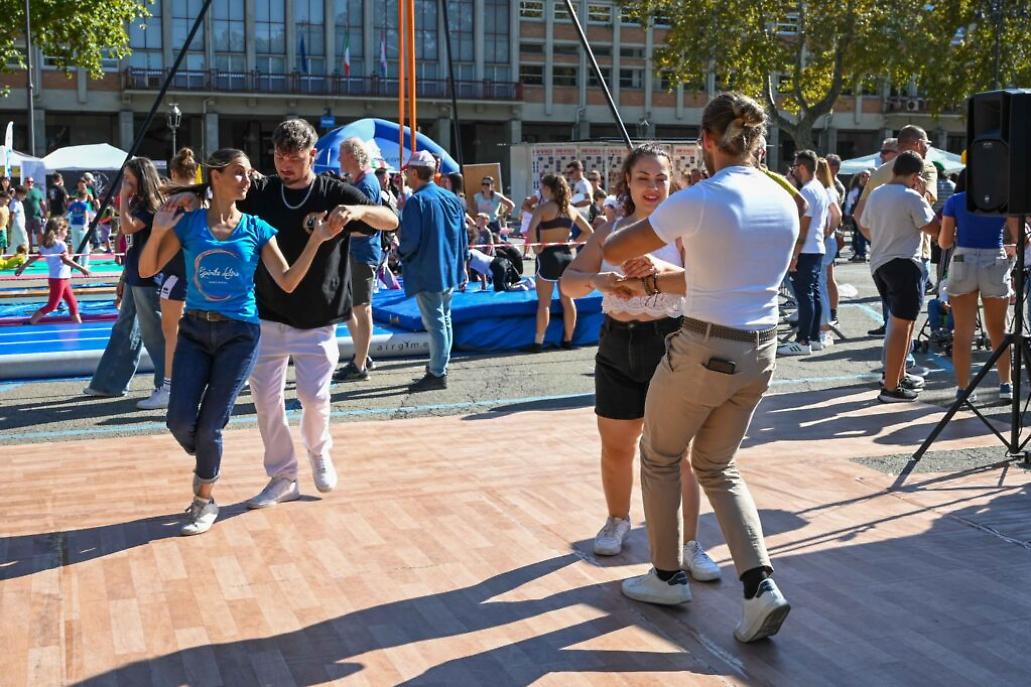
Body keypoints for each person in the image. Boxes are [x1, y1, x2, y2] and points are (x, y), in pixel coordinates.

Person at [602, 91, 797, 643]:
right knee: (717, 466)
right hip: (759, 352)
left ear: (705, 142)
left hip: (703, 349)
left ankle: (667, 575)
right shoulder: (783, 199)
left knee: (660, 455)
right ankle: (761, 586)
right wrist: (660, 275)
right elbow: (725, 277)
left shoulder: (701, 198)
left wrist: (647, 236)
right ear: (757, 140)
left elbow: (617, 248)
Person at [139, 148, 348, 536]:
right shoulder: (188, 224)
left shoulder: (256, 228)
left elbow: (286, 281)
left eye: (250, 174)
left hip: (240, 335)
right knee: (180, 419)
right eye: (238, 173)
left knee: (210, 426)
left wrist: (317, 240)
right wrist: (158, 230)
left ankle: (203, 500)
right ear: (214, 176)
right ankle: (206, 456)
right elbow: (147, 268)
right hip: (195, 332)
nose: (247, 179)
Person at [197, 119, 398, 509]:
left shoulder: (334, 191)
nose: (285, 164)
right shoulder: (263, 190)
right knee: (265, 399)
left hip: (318, 318)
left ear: (313, 155)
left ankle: (319, 452)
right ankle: (282, 475)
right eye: (279, 155)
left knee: (313, 396)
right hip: (267, 315)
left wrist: (356, 212)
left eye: (294, 157)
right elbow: (218, 196)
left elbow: (391, 220)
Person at [560, 143, 721, 581]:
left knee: (677, 453)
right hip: (616, 342)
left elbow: (704, 286)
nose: (652, 187)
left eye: (661, 178)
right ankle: (617, 519)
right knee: (616, 445)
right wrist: (597, 279)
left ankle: (691, 544)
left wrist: (653, 272)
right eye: (643, 178)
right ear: (626, 183)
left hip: (667, 342)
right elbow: (569, 284)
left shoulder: (686, 232)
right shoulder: (610, 230)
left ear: (673, 182)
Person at [83, 158, 168, 403]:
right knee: (125, 329)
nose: (126, 182)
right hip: (135, 275)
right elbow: (132, 246)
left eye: (129, 178)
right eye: (124, 179)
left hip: (149, 278)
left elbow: (129, 229)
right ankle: (109, 383)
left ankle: (167, 384)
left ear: (141, 178)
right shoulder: (140, 203)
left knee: (153, 334)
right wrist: (124, 277)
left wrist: (122, 198)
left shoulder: (150, 206)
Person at [858, 151, 939, 403]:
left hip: (880, 263)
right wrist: (924, 195)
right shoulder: (911, 197)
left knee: (902, 323)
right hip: (904, 263)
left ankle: (898, 376)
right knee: (902, 326)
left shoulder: (877, 193)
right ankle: (891, 387)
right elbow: (933, 229)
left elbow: (865, 224)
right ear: (916, 176)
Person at [937, 169, 1017, 403]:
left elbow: (944, 241)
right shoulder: (1002, 200)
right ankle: (1006, 385)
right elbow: (1020, 234)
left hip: (964, 260)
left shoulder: (955, 201)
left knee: (962, 332)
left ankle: (963, 389)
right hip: (995, 258)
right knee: (998, 329)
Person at [397, 149, 468, 391]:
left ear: (415, 172)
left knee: (436, 322)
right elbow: (463, 236)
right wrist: (463, 264)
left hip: (427, 270)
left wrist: (400, 252)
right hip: (449, 268)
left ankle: (438, 372)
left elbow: (410, 242)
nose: (406, 176)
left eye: (408, 172)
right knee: (444, 320)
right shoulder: (451, 198)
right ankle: (440, 366)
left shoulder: (416, 201)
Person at [140, 147, 198, 411]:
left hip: (177, 275)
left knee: (172, 335)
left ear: (173, 173)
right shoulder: (204, 199)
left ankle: (169, 388)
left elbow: (163, 243)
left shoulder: (172, 202)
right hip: (201, 276)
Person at [335, 137, 396, 383]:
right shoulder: (361, 181)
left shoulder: (366, 184)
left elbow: (370, 225)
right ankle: (363, 354)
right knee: (350, 307)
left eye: (342, 154)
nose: (339, 159)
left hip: (363, 252)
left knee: (361, 307)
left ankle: (360, 363)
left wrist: (340, 230)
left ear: (351, 156)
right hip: (358, 251)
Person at [526, 173, 594, 352]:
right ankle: (568, 340)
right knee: (568, 300)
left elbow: (531, 230)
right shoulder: (571, 209)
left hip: (548, 255)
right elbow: (589, 231)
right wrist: (573, 243)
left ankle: (538, 342)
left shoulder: (543, 208)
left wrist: (535, 248)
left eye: (542, 187)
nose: (540, 190)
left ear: (548, 189)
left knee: (544, 303)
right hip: (567, 256)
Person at [778, 149, 829, 356]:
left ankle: (803, 340)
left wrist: (795, 254)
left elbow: (804, 227)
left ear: (803, 167)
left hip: (807, 249)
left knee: (804, 296)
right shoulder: (820, 189)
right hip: (816, 248)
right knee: (813, 294)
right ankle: (814, 337)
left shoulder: (808, 191)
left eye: (795, 167)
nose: (794, 171)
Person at [14, 217, 90, 323]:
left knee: (72, 303)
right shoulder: (60, 244)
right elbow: (65, 260)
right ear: (59, 231)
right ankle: (31, 321)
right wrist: (81, 268)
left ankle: (78, 323)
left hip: (62, 279)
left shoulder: (46, 245)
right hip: (59, 280)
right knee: (52, 305)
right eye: (65, 231)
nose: (66, 234)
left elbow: (35, 257)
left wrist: (22, 267)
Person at [815, 158, 843, 348]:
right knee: (822, 283)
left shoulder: (826, 191)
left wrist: (826, 233)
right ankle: (823, 326)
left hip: (826, 242)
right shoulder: (829, 189)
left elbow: (837, 215)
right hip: (827, 241)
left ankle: (824, 330)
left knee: (821, 285)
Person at [65, 185, 95, 269]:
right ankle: (84, 264)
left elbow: (67, 212)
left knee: (75, 245)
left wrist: (61, 218)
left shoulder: (73, 204)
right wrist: (85, 224)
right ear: (85, 196)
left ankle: (77, 262)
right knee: (85, 246)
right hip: (82, 227)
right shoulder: (84, 205)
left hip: (74, 226)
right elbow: (86, 215)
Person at [844, 170, 871, 261]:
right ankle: (859, 253)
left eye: (867, 176)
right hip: (857, 215)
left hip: (868, 215)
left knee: (865, 235)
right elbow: (850, 202)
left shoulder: (871, 189)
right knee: (858, 235)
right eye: (863, 176)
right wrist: (848, 213)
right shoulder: (856, 189)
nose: (865, 178)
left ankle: (862, 253)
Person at [22, 177, 46, 251]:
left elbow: (42, 203)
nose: (30, 183)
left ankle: (41, 250)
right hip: (26, 217)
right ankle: (30, 250)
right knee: (28, 235)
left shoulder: (37, 191)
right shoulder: (22, 192)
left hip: (37, 217)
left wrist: (45, 214)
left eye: (31, 182)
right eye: (28, 182)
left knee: (40, 234)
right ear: (24, 183)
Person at [9, 186, 29, 253]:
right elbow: (11, 216)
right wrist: (10, 228)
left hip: (19, 226)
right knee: (25, 242)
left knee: (14, 245)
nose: (25, 196)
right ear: (19, 194)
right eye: (24, 194)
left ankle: (6, 259)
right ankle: (25, 260)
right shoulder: (14, 203)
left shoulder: (19, 202)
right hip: (17, 227)